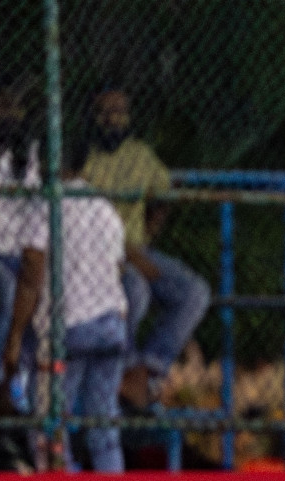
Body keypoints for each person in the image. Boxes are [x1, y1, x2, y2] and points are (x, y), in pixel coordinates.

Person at [82, 88, 209, 410]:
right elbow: (82, 222)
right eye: (105, 112)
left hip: (136, 250)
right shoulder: (82, 158)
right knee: (135, 289)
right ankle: (121, 371)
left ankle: (146, 369)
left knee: (194, 292)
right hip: (95, 254)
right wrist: (131, 255)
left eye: (120, 112)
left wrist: (147, 237)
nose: (113, 120)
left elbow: (164, 194)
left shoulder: (139, 155)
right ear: (93, 116)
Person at [4, 154, 130, 473]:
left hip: (69, 327)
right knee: (104, 423)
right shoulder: (104, 206)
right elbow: (118, 267)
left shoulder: (47, 204)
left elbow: (32, 268)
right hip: (112, 321)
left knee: (49, 422)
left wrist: (16, 335)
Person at [0, 78, 39, 410]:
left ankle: (22, 388)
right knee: (2, 285)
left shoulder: (26, 154)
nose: (9, 114)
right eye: (2, 106)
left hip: (13, 252)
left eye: (16, 108)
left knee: (37, 290)